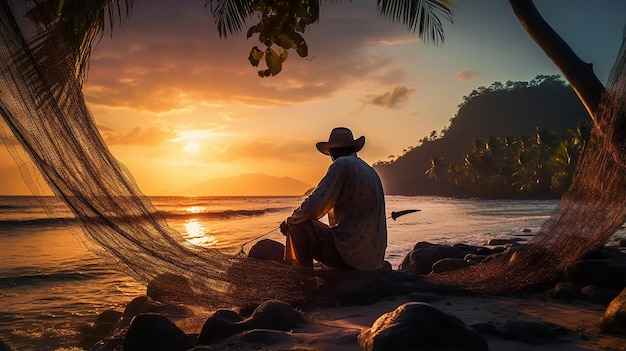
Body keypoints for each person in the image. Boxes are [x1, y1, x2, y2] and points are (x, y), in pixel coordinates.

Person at [279, 127, 387, 270]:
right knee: (298, 221)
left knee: (298, 225)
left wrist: (290, 221)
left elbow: (315, 204)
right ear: (354, 148)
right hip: (374, 259)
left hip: (351, 255)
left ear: (332, 152)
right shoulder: (370, 171)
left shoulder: (341, 164)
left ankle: (305, 277)